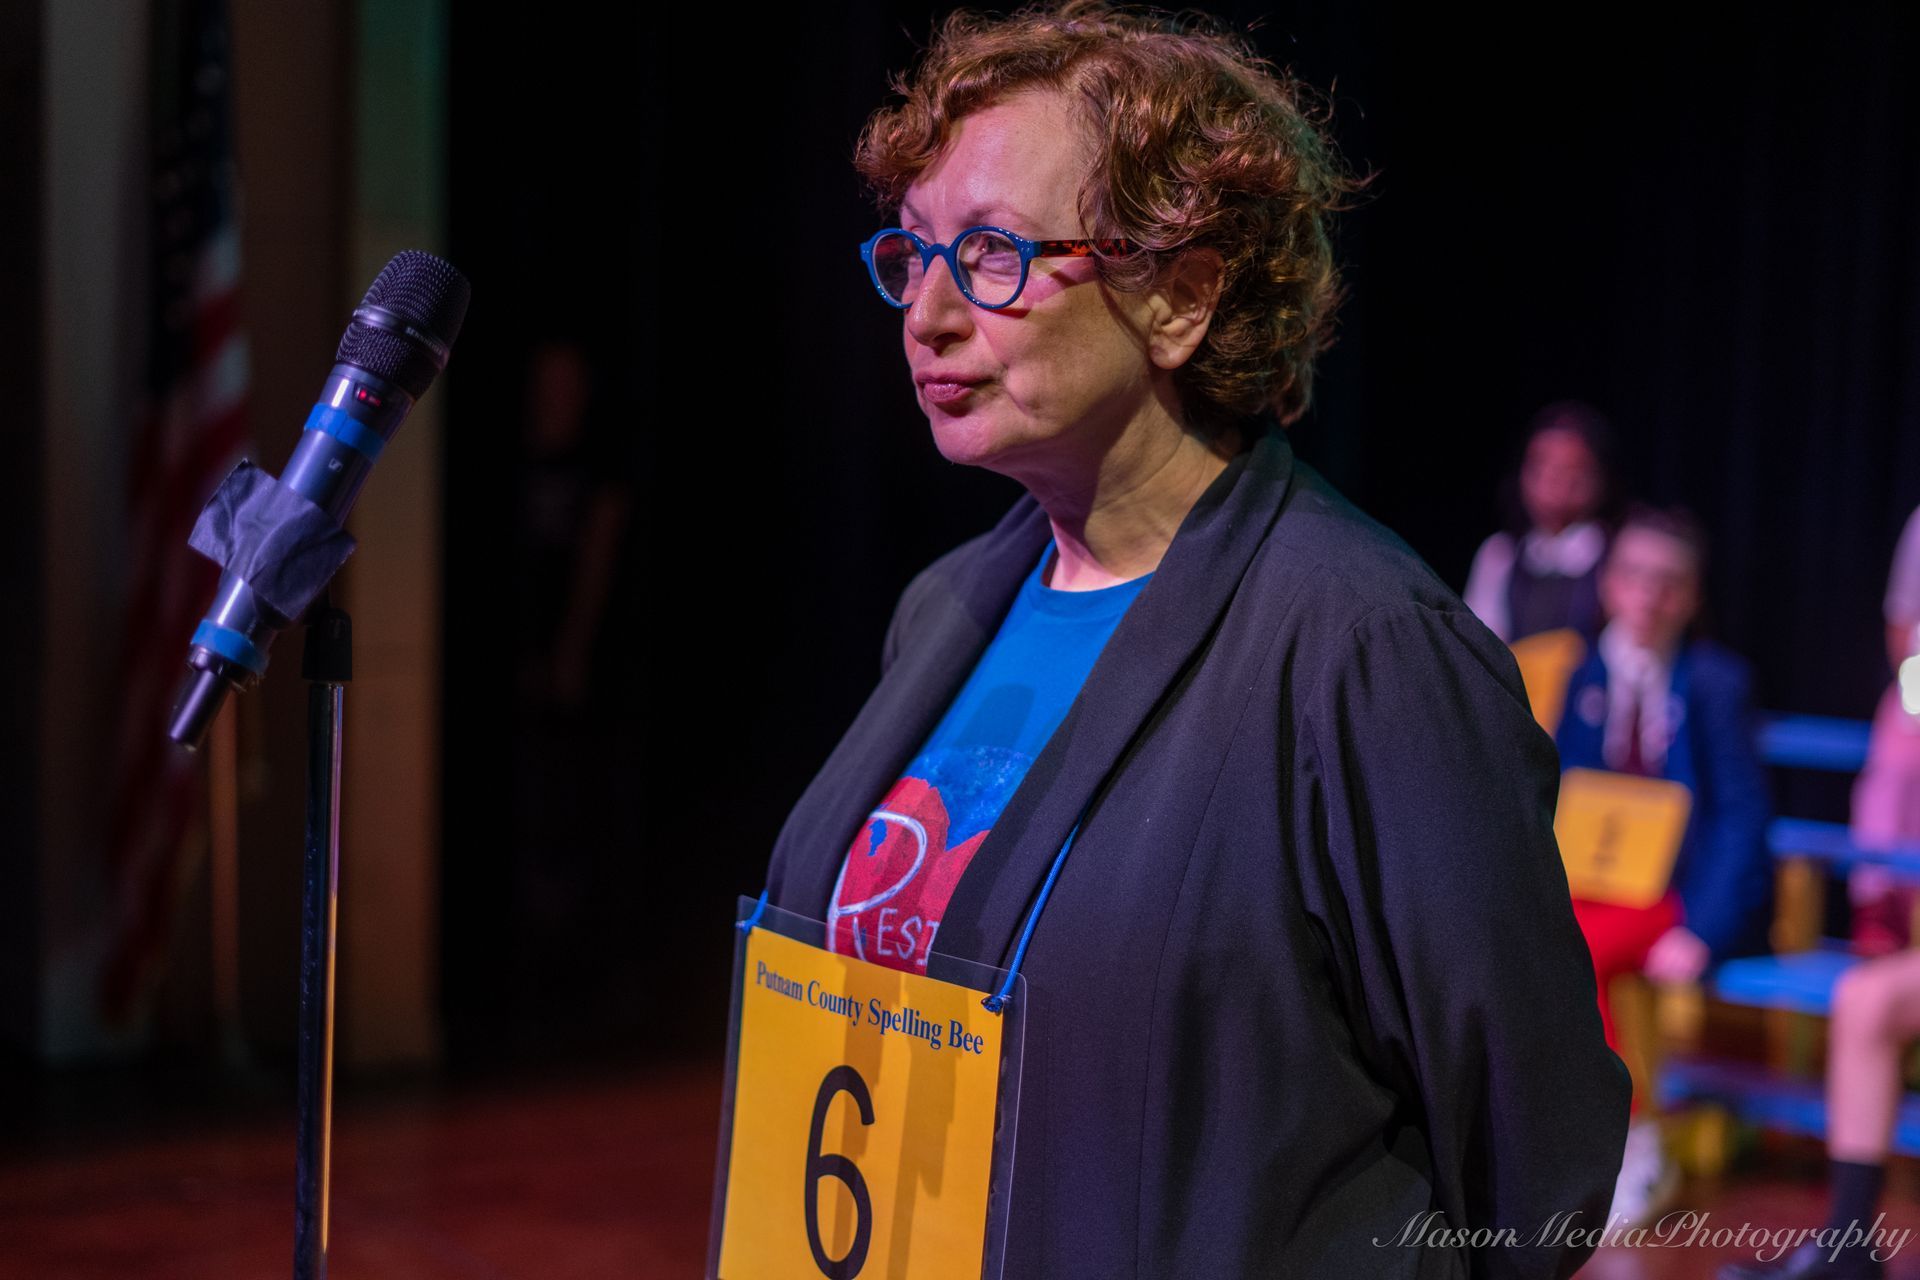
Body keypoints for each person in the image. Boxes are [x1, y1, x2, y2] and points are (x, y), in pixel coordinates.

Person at [760, 5, 1628, 1275]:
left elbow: (1534, 1163)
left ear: (1181, 295)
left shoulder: (1368, 650)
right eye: (916, 252)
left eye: (995, 253)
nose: (929, 312)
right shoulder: (944, 607)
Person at [1553, 505, 1772, 1224]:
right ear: (1611, 585)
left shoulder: (1713, 683)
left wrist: (1704, 930)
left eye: (1668, 583)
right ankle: (1548, 1136)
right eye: (1635, 577)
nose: (1648, 597)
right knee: (1525, 942)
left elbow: (1740, 817)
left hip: (1675, 895)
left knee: (1575, 954)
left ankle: (1636, 1144)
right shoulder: (1584, 673)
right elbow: (1560, 792)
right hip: (1597, 884)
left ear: (1691, 596)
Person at [1463, 403, 1617, 644]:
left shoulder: (1617, 554)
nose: (1553, 481)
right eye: (1541, 466)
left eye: (1572, 469)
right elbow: (1483, 642)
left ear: (1600, 476)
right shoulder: (1500, 553)